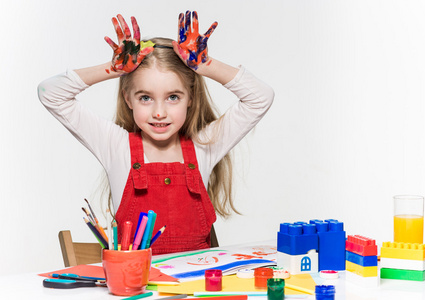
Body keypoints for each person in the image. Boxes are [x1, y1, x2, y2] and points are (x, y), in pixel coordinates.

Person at [38, 11, 274, 254]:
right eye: (145, 98)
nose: (159, 112)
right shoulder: (115, 145)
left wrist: (205, 65)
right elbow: (50, 93)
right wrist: (113, 69)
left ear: (190, 97)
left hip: (196, 285)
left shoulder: (205, 145)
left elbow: (260, 98)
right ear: (128, 98)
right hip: (136, 287)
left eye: (173, 97)